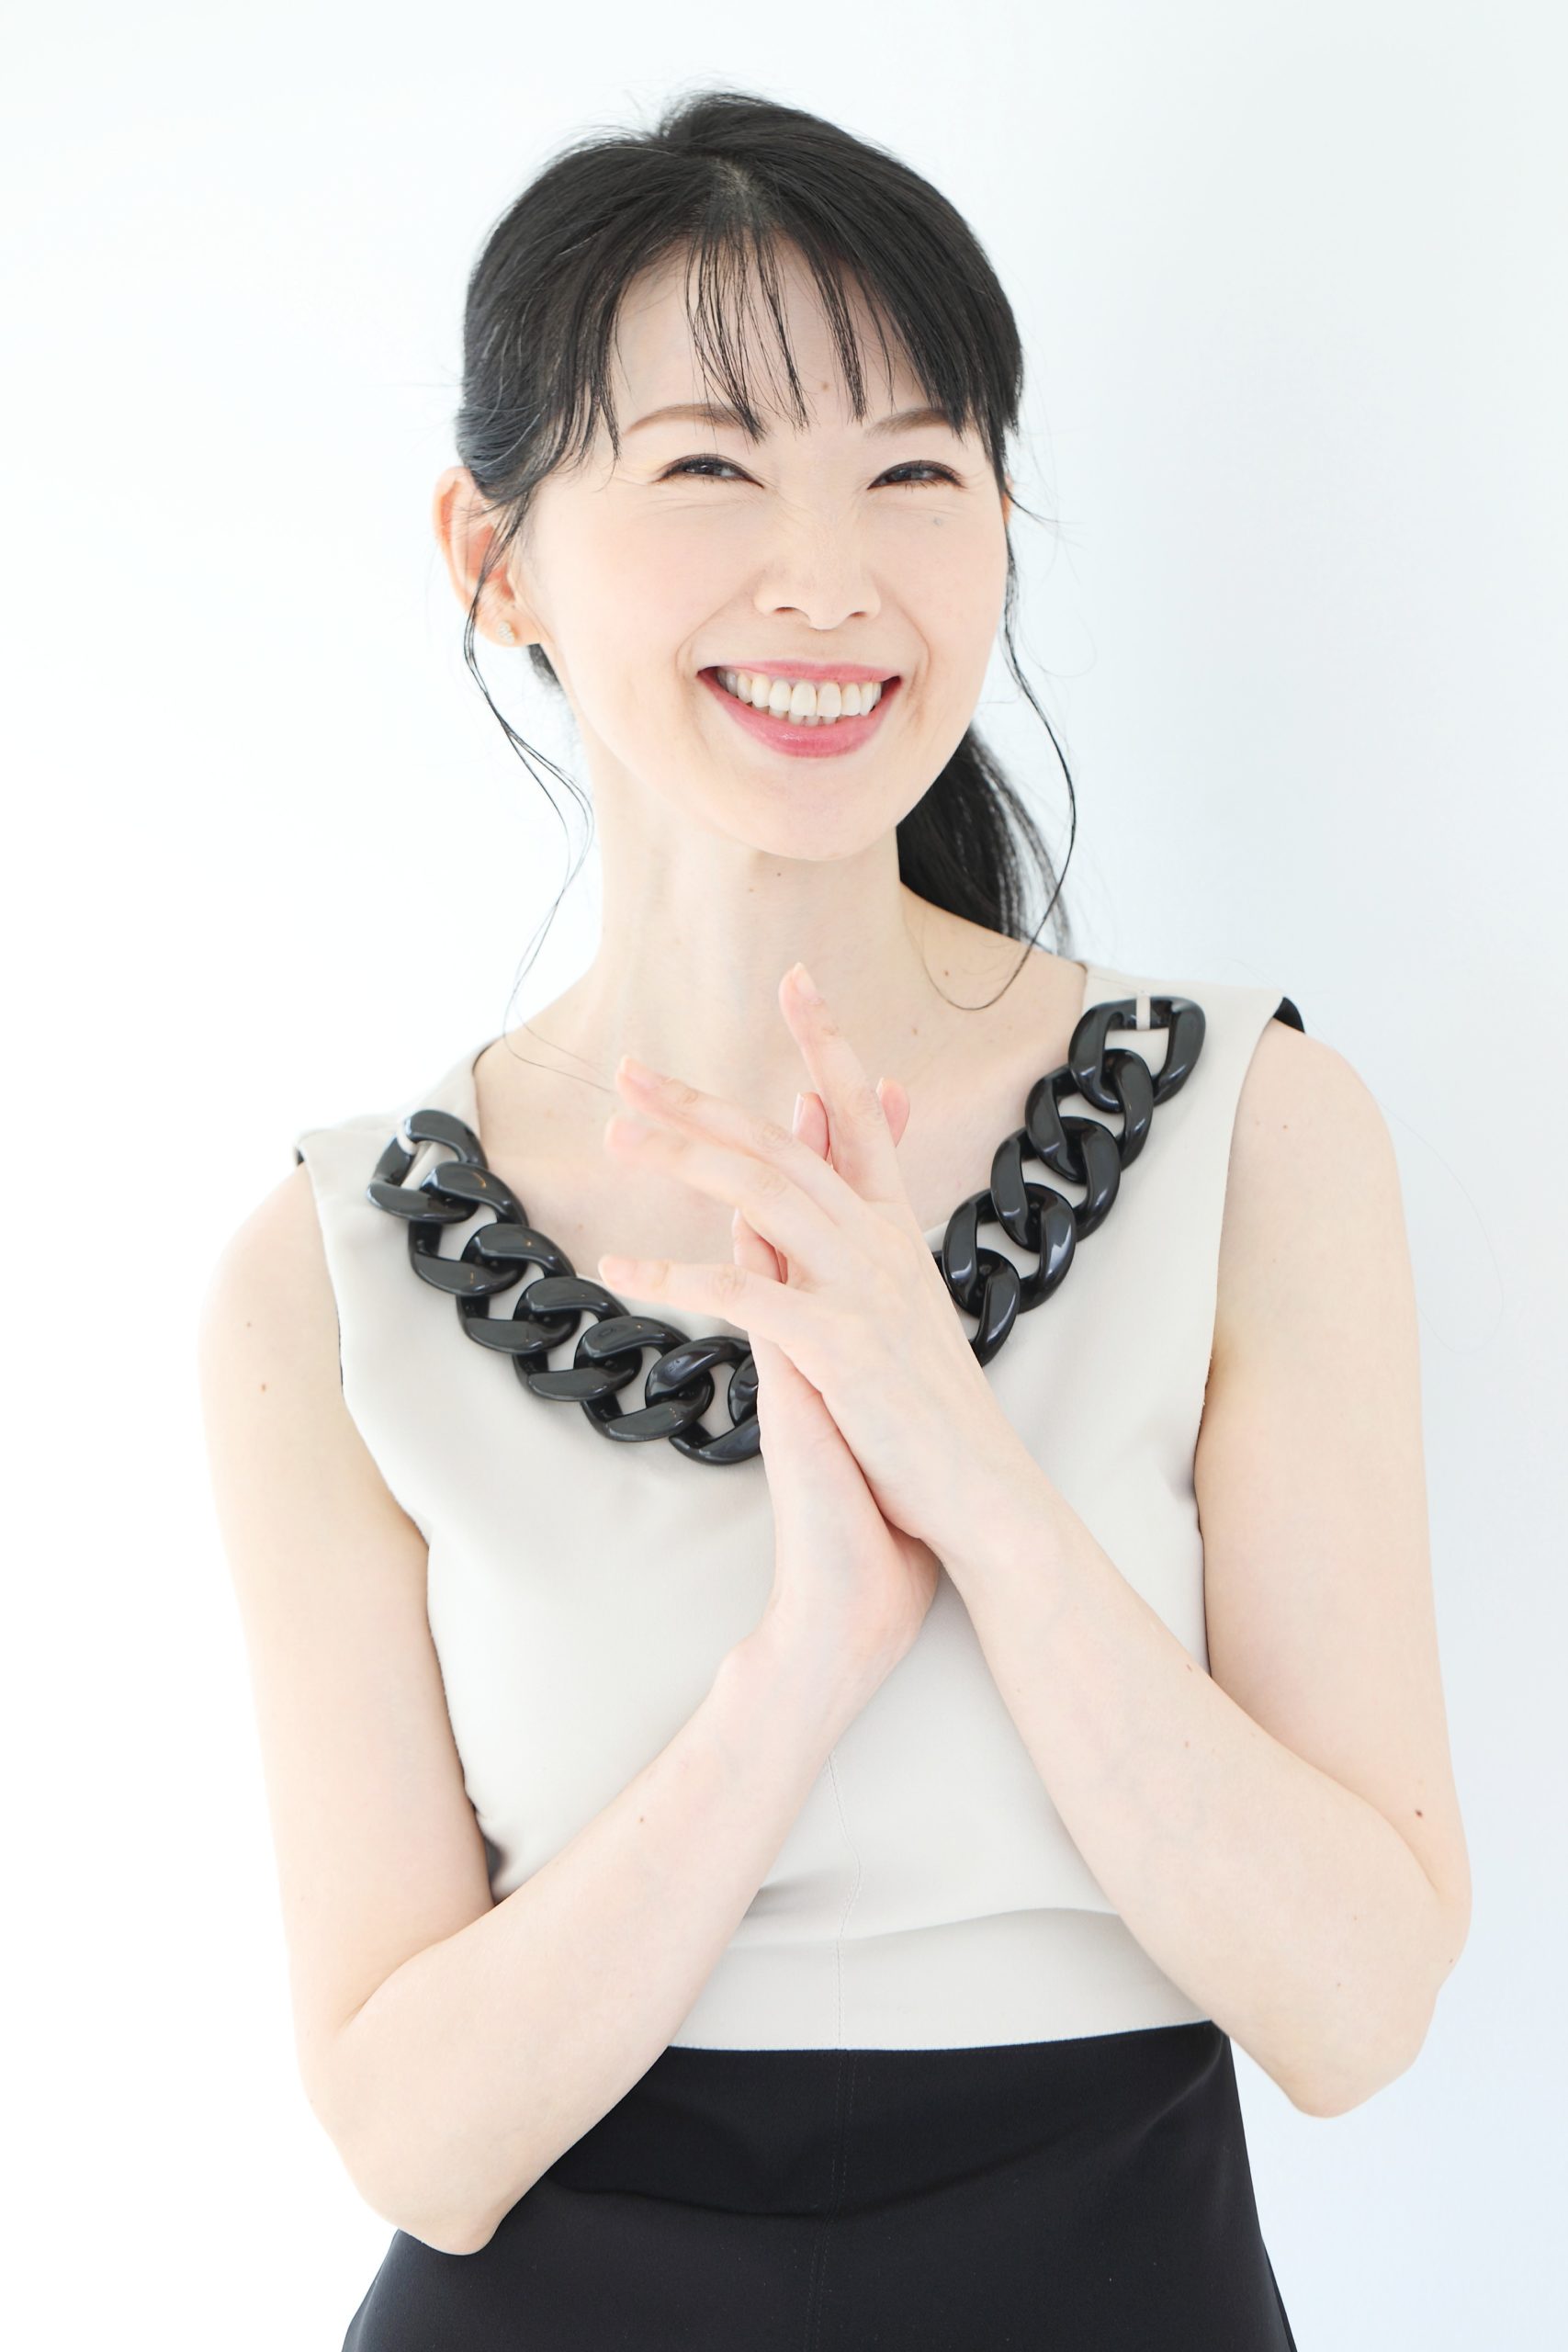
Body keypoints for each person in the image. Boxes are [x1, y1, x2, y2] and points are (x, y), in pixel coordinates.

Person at [197, 88, 1471, 2350]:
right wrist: (798, 1670)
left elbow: (1354, 2005)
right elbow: (415, 2131)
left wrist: (961, 1462)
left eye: (910, 472)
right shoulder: (334, 1274)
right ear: (492, 555)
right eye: (709, 467)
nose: (824, 575)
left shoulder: (1246, 1132)